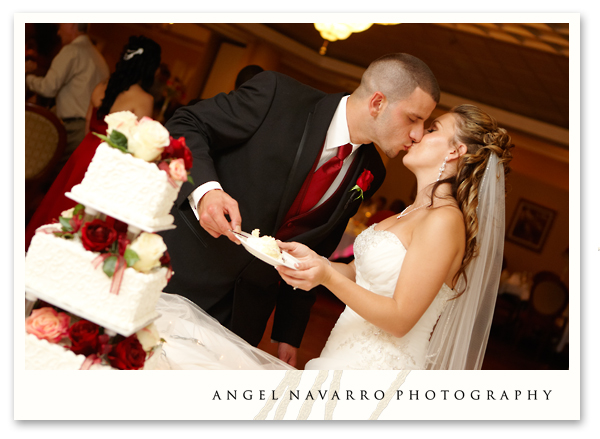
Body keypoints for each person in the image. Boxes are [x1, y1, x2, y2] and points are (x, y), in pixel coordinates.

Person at [161, 53, 440, 367]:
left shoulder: (372, 171)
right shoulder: (277, 95)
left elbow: (316, 247)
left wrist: (288, 332)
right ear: (377, 103)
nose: (418, 133)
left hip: (244, 314)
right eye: (413, 118)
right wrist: (207, 192)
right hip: (180, 275)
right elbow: (186, 124)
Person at [276, 104, 513, 370]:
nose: (418, 135)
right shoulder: (411, 212)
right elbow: (356, 274)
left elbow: (400, 320)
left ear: (455, 151)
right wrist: (312, 261)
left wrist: (326, 277)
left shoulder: (444, 220)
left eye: (432, 129)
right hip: (339, 357)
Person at [25, 35, 162, 250]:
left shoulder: (101, 87)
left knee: (62, 206)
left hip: (84, 152)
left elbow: (89, 123)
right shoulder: (144, 100)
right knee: (86, 218)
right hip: (110, 163)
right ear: (149, 67)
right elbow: (138, 146)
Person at [25, 23, 110, 166]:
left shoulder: (72, 50)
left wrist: (26, 76)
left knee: (36, 166)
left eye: (61, 26)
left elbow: (48, 88)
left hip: (69, 129)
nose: (58, 32)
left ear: (72, 26)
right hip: (87, 130)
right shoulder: (99, 58)